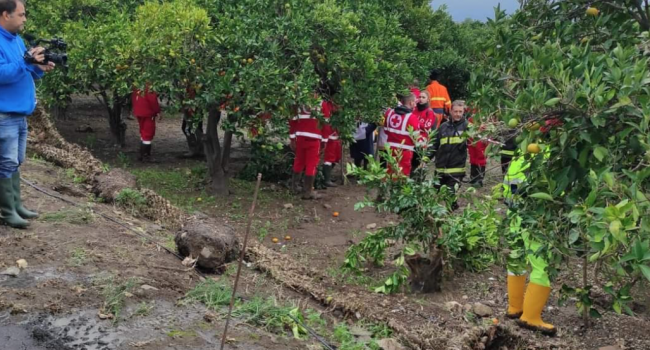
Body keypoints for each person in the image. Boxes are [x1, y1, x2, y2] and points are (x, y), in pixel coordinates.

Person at [0, 0, 55, 228]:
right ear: (5, 14)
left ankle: (17, 205)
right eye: (21, 15)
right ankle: (7, 212)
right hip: (4, 115)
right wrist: (26, 62)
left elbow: (24, 71)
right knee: (6, 163)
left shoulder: (17, 40)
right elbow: (2, 74)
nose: (24, 19)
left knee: (16, 162)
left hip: (20, 115)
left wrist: (38, 67)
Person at [431, 100, 468, 210]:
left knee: (450, 193)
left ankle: (449, 214)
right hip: (441, 168)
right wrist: (425, 158)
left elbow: (476, 140)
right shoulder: (443, 127)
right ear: (450, 111)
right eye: (455, 111)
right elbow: (435, 145)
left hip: (456, 169)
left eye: (460, 112)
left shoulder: (467, 127)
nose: (458, 114)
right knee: (437, 192)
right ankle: (452, 207)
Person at [289, 103, 323, 200]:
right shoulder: (322, 103)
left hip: (300, 137)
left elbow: (292, 121)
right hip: (314, 139)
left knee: (299, 161)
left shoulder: (299, 102)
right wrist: (324, 141)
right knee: (311, 164)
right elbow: (326, 123)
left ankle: (294, 188)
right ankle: (308, 192)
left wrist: (292, 139)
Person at [383, 93, 420, 177]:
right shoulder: (412, 118)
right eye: (414, 102)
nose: (415, 104)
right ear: (411, 103)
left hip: (390, 149)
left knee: (390, 173)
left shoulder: (389, 113)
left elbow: (385, 130)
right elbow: (416, 138)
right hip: (405, 152)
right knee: (402, 176)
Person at [410, 91, 438, 178]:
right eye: (420, 97)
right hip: (411, 141)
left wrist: (415, 123)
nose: (421, 99)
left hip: (422, 143)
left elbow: (427, 126)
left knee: (419, 166)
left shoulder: (429, 112)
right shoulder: (414, 110)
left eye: (423, 97)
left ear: (428, 99)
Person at [131, 86, 162, 162]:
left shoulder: (138, 82)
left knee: (143, 131)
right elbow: (152, 100)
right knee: (148, 133)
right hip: (147, 112)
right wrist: (157, 111)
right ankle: (146, 155)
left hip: (139, 111)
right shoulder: (149, 84)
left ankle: (142, 154)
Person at [321, 100, 340, 187]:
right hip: (330, 136)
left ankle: (325, 175)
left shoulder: (333, 104)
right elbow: (326, 122)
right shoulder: (326, 105)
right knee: (329, 158)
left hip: (335, 134)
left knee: (336, 157)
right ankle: (326, 179)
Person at [467, 114, 488, 187]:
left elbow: (488, 130)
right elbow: (469, 130)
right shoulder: (471, 119)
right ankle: (473, 177)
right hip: (473, 141)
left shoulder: (485, 118)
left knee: (481, 158)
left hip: (481, 141)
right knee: (473, 158)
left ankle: (479, 179)